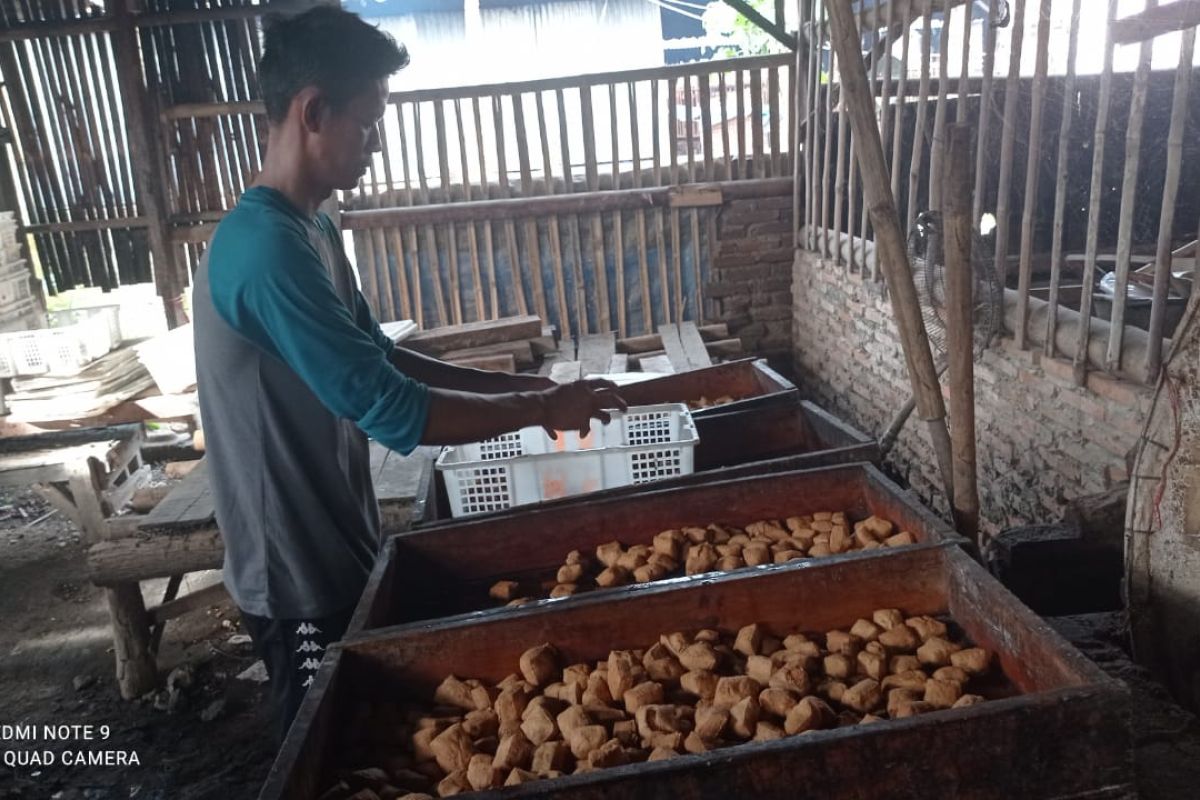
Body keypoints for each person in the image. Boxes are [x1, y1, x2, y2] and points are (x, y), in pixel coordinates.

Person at [192, 6, 623, 742]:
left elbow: (382, 354)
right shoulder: (264, 250)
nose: (378, 146)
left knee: (364, 739)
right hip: (293, 573)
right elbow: (395, 411)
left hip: (337, 541)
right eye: (369, 123)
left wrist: (536, 391)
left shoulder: (313, 229)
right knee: (316, 751)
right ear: (314, 111)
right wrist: (546, 410)